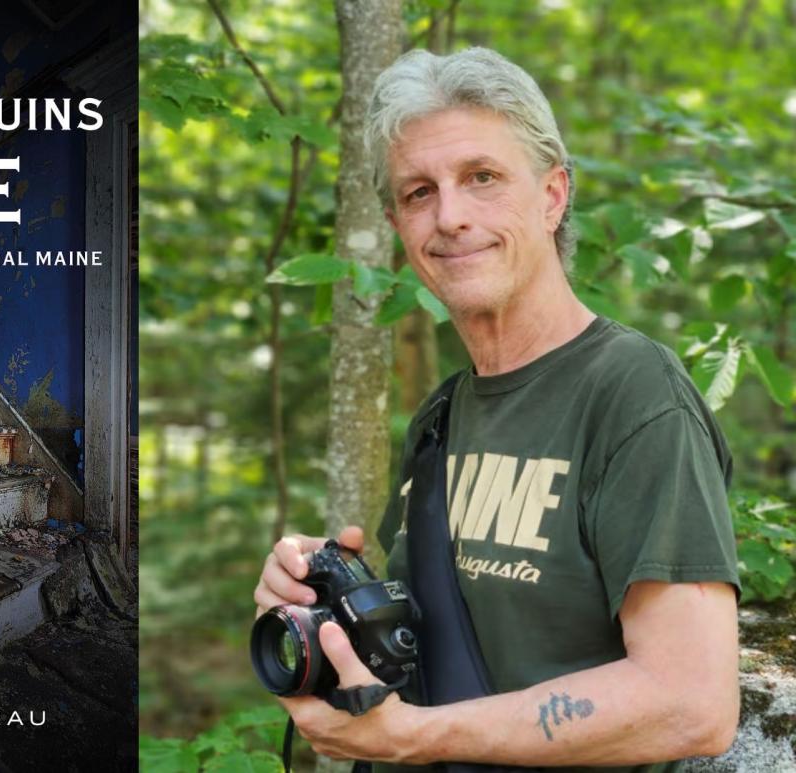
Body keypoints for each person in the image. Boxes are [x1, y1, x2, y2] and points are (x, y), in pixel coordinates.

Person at [252, 47, 740, 772]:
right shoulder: (440, 418)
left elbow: (691, 701)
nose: (450, 216)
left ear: (552, 196)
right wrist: (316, 602)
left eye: (482, 178)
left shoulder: (633, 393)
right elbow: (436, 656)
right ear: (396, 225)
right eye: (419, 192)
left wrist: (413, 736)